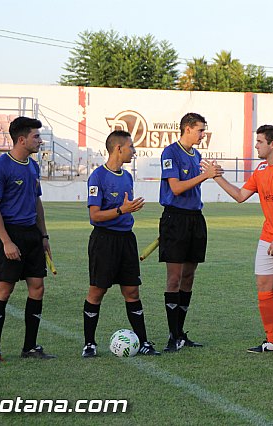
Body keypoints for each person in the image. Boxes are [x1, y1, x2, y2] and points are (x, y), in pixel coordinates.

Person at [210, 125, 273, 353]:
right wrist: (217, 177)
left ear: (272, 144)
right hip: (268, 238)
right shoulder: (261, 169)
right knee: (263, 286)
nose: (256, 145)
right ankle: (272, 342)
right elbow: (240, 196)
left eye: (259, 142)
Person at [0, 117, 56, 363]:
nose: (40, 140)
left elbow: (37, 202)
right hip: (10, 234)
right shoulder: (0, 167)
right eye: (36, 136)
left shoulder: (33, 166)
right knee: (5, 289)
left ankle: (30, 347)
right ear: (22, 139)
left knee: (37, 287)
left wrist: (43, 235)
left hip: (32, 236)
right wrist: (6, 241)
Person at [82, 130, 160, 357]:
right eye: (131, 147)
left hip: (127, 239)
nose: (134, 152)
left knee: (132, 292)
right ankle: (89, 344)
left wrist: (127, 211)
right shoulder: (97, 177)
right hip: (104, 240)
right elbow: (94, 216)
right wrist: (121, 210)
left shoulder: (126, 177)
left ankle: (144, 342)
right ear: (118, 148)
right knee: (97, 292)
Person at [159, 112, 223, 352]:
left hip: (195, 219)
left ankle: (180, 334)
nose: (203, 135)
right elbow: (175, 188)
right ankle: (172, 335)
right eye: (200, 130)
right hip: (175, 219)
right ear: (187, 129)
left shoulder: (196, 154)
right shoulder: (170, 152)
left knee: (188, 276)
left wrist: (212, 174)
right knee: (174, 278)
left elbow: (195, 182)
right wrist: (204, 176)